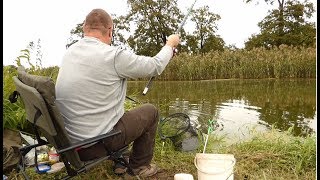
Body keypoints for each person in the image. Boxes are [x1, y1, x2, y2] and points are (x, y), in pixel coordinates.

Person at [55, 8, 180, 177]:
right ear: (110, 30)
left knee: (120, 115)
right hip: (94, 146)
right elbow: (154, 66)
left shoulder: (69, 53)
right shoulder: (112, 56)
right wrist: (169, 45)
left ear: (85, 28)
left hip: (70, 146)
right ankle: (139, 166)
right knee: (151, 111)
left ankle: (120, 160)